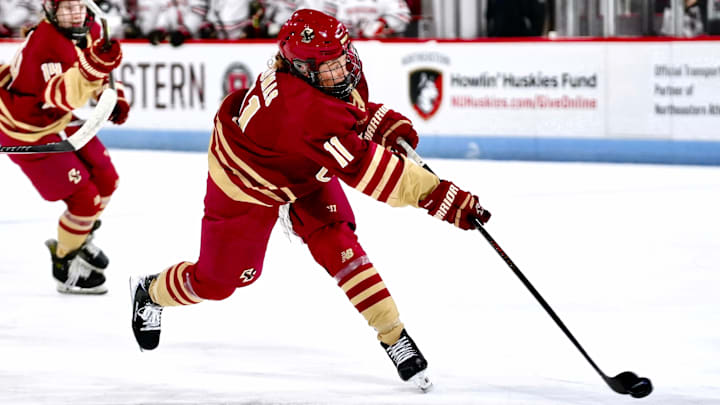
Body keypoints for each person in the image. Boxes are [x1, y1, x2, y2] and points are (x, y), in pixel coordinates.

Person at [130, 9, 490, 390]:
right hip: (247, 183)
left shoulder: (314, 81)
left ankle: (393, 335)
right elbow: (376, 174)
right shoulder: (305, 109)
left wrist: (374, 120)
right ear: (300, 68)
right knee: (219, 282)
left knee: (339, 243)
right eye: (330, 66)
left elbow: (345, 112)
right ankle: (150, 291)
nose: (343, 71)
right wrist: (443, 198)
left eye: (343, 58)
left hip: (302, 165)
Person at [0, 0, 128, 294]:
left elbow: (103, 72)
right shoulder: (45, 45)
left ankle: (79, 238)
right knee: (85, 201)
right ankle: (65, 262)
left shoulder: (92, 25)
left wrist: (114, 98)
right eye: (65, 8)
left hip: (59, 118)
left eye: (78, 5)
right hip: (28, 128)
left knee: (108, 180)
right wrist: (95, 66)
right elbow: (60, 94)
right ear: (50, 11)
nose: (74, 13)